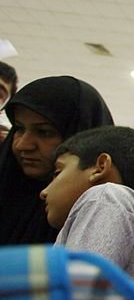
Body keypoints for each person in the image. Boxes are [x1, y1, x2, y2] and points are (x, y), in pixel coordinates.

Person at [40, 126, 134, 300]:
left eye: (58, 172)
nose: (44, 192)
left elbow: (78, 297)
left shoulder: (106, 197)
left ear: (100, 167)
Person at [0, 76, 114, 246]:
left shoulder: (109, 214)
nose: (23, 144)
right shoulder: (7, 189)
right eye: (19, 128)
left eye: (44, 132)